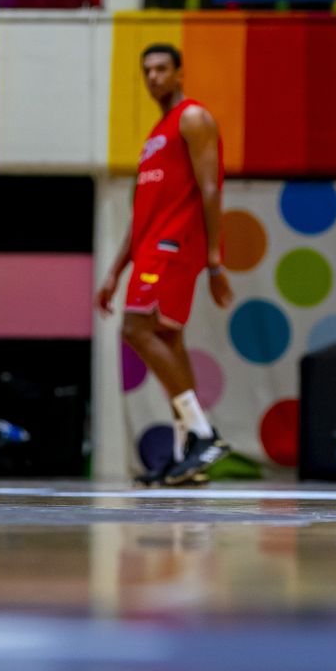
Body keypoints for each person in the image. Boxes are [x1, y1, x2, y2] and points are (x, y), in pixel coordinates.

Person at [97, 44, 235, 485]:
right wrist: (116, 270)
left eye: (162, 69)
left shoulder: (192, 119)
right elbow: (141, 214)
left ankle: (202, 433)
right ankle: (184, 458)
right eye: (147, 71)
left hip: (175, 247)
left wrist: (214, 260)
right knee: (168, 338)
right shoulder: (155, 134)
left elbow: (210, 190)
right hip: (151, 245)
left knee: (135, 328)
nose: (153, 76)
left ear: (179, 74)